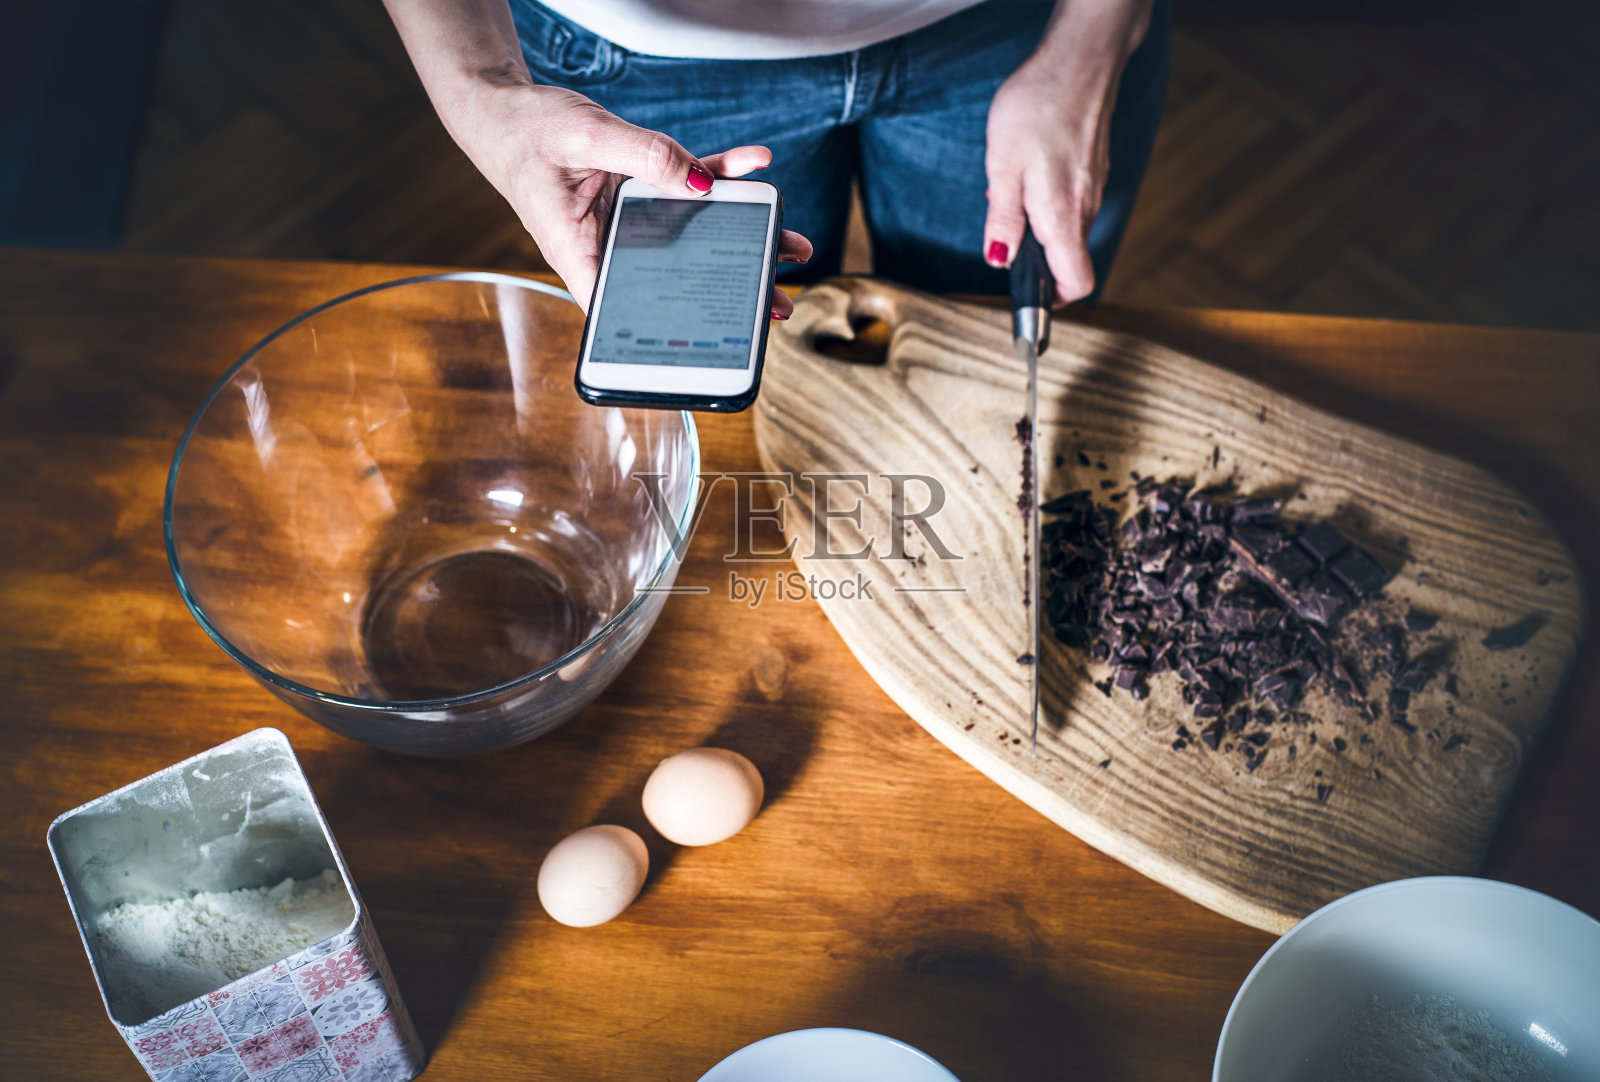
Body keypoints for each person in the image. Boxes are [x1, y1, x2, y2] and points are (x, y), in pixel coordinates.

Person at [382, 0, 1170, 317]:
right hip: (637, 66)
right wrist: (480, 91)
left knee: (993, 350)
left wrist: (1094, 37)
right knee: (731, 378)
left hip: (1019, 30)